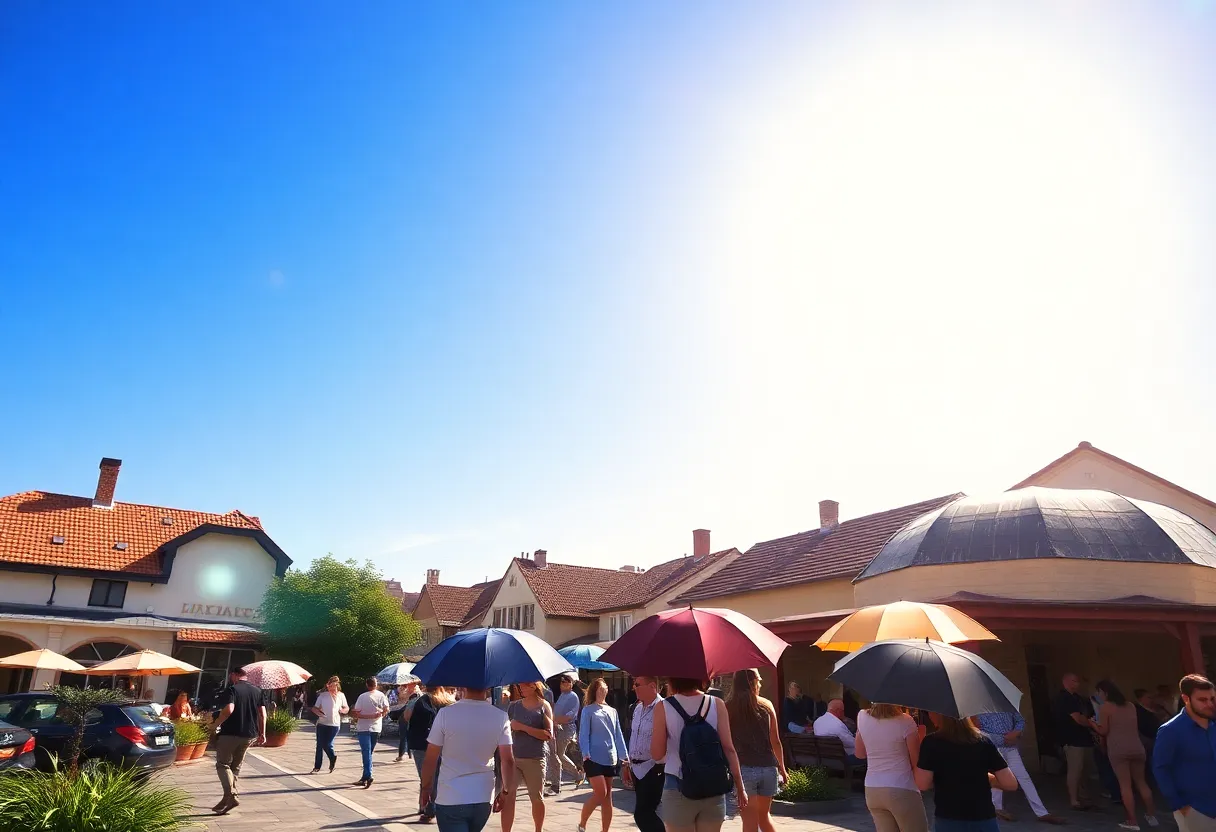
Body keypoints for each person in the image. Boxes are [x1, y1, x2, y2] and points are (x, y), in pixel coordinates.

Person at [651, 676, 748, 832]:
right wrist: (740, 787)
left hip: (678, 785)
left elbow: (657, 754)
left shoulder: (663, 707)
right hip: (713, 785)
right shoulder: (717, 704)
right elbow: (729, 748)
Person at [419, 686, 516, 832]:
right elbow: (507, 760)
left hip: (450, 796)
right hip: (482, 796)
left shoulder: (446, 713)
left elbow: (430, 758)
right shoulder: (500, 716)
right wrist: (505, 791)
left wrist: (426, 788)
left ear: (463, 686)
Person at [914, 712, 1017, 832]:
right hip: (983, 819)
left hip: (948, 819)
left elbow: (922, 784)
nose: (930, 717)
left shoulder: (930, 743)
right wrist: (990, 779)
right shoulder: (983, 742)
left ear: (940, 716)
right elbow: (1010, 783)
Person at [975, 709, 1065, 824]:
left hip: (1011, 748)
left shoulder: (1006, 704)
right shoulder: (981, 708)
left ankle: (1042, 812)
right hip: (995, 748)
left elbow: (1020, 720)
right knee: (997, 779)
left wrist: (1016, 733)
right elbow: (980, 730)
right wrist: (1004, 738)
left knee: (1024, 777)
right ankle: (997, 809)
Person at [1090, 680, 1158, 830]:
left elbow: (1103, 731)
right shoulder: (1130, 706)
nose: (1098, 695)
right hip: (1137, 747)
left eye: (1099, 692)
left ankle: (1132, 821)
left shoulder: (1105, 708)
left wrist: (1093, 724)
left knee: (1125, 785)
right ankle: (1151, 815)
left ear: (1104, 692)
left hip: (1118, 750)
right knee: (1142, 782)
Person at [1152, 674, 1216, 832]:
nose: (1209, 704)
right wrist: (1179, 805)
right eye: (1202, 700)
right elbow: (1161, 769)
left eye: (1212, 699)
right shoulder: (1171, 731)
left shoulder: (1214, 725)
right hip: (1196, 810)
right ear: (1186, 699)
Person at [725, 668, 787, 832]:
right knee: (764, 817)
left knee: (749, 822)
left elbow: (726, 741)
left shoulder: (728, 707)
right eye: (758, 680)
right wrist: (782, 767)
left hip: (743, 768)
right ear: (754, 682)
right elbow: (776, 740)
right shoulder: (766, 705)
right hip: (769, 768)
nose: (760, 683)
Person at [856, 703, 928, 832]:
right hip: (901, 787)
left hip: (872, 789)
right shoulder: (906, 721)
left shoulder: (862, 716)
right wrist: (921, 737)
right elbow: (916, 761)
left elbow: (860, 753)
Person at [210, 666, 266, 816]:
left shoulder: (232, 690)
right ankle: (227, 798)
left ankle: (232, 795)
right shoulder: (257, 691)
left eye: (230, 676)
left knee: (223, 764)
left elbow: (229, 709)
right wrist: (263, 733)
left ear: (235, 675)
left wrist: (215, 725)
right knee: (235, 767)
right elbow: (263, 714)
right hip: (249, 734)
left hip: (230, 733)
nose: (230, 679)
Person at [577, 678, 628, 832]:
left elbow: (618, 734)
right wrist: (585, 753)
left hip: (610, 757)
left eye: (605, 687)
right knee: (600, 793)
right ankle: (582, 823)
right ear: (594, 690)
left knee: (608, 797)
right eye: (600, 688)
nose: (603, 690)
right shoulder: (588, 710)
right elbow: (583, 733)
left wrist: (624, 756)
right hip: (592, 757)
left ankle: (605, 830)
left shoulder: (612, 711)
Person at [509, 682, 554, 832]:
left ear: (533, 686)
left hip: (535, 758)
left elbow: (548, 734)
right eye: (519, 686)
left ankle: (538, 830)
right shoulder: (514, 707)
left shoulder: (544, 706)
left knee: (536, 797)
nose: (520, 688)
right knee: (509, 795)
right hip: (514, 757)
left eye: (523, 686)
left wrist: (522, 727)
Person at [623, 676, 664, 832]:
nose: (634, 687)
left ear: (652, 686)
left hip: (654, 768)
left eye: (637, 684)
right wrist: (628, 763)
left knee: (642, 814)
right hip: (637, 769)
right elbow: (635, 736)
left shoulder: (663, 707)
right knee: (644, 813)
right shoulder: (637, 708)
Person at [409, 686, 456, 822]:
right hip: (442, 743)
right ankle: (425, 806)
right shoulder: (449, 702)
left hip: (422, 743)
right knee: (436, 776)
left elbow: (408, 718)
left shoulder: (421, 701)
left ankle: (429, 809)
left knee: (426, 776)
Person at [1053, 672, 1096, 810]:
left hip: (1085, 739)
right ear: (1065, 682)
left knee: (1085, 770)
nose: (1076, 684)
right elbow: (1078, 718)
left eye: (1077, 681)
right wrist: (1094, 724)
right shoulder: (1064, 698)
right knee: (1075, 770)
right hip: (1072, 740)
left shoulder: (1078, 698)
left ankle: (1084, 796)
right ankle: (1074, 800)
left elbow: (1087, 715)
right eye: (1073, 681)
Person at [349, 677, 390, 788]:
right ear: (376, 685)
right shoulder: (381, 695)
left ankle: (368, 775)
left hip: (363, 727)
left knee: (366, 752)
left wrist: (366, 716)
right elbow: (386, 709)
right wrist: (380, 714)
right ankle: (365, 776)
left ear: (367, 685)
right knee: (369, 752)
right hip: (376, 727)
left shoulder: (362, 697)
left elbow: (356, 713)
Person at [547, 674, 582, 795]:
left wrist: (555, 720)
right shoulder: (562, 695)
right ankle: (556, 778)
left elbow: (569, 716)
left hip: (566, 728)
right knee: (555, 754)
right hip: (558, 727)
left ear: (572, 684)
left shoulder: (573, 697)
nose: (564, 684)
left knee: (558, 754)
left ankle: (575, 774)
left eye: (567, 682)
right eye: (562, 682)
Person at [311, 676, 350, 774]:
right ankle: (317, 766)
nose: (330, 688)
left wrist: (343, 710)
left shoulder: (341, 695)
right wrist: (319, 713)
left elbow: (346, 708)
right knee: (319, 745)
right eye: (329, 686)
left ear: (336, 686)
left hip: (334, 724)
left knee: (327, 744)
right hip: (322, 723)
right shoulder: (323, 696)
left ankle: (332, 757)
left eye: (332, 686)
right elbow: (314, 708)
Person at [813, 698, 861, 765]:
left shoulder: (817, 722)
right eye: (843, 711)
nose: (843, 713)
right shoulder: (838, 724)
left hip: (824, 757)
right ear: (838, 711)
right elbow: (851, 743)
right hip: (841, 760)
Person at [393, 680, 422, 762]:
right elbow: (399, 702)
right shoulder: (404, 691)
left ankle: (403, 755)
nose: (408, 684)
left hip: (410, 716)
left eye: (410, 683)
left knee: (405, 736)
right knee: (405, 735)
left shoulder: (417, 694)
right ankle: (405, 754)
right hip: (403, 715)